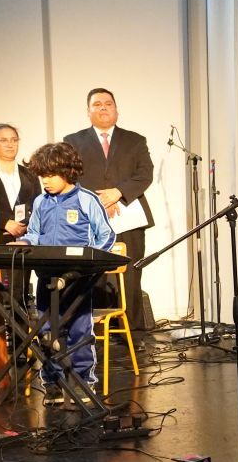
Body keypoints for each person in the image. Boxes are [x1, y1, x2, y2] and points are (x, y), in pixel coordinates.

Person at [19, 142, 116, 406]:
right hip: (46, 278)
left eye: (51, 175)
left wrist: (89, 263)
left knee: (79, 332)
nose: (46, 181)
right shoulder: (40, 201)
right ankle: (52, 384)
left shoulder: (87, 200)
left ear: (68, 171)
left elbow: (106, 236)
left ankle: (83, 382)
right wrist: (26, 243)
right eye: (42, 176)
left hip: (77, 281)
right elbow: (34, 234)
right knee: (46, 332)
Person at [63, 88, 154, 331]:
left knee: (131, 274)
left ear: (116, 109)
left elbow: (145, 175)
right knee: (93, 275)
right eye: (97, 104)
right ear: (88, 111)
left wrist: (117, 194)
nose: (103, 107)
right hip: (88, 218)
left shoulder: (135, 140)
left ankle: (132, 333)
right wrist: (98, 201)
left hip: (129, 215)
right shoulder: (72, 141)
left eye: (108, 103)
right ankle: (95, 332)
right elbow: (69, 177)